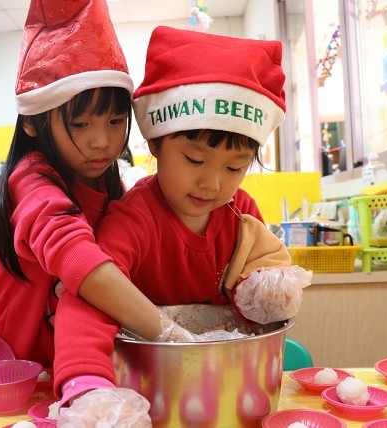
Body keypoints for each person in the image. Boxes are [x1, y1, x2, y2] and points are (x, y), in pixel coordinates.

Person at [53, 26, 312, 425]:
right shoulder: (135, 219)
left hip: (228, 393)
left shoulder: (239, 212)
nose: (212, 184)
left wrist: (262, 292)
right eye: (194, 160)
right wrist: (88, 386)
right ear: (155, 143)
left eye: (235, 167)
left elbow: (253, 293)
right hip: (150, 394)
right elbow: (89, 299)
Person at [0, 0, 189, 390]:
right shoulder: (31, 180)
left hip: (89, 365)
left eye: (115, 120)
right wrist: (169, 333)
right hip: (27, 374)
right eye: (80, 123)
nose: (102, 141)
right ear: (31, 123)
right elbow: (77, 257)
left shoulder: (105, 180)